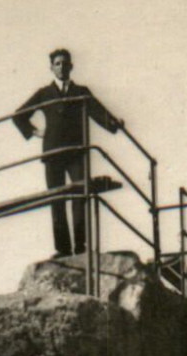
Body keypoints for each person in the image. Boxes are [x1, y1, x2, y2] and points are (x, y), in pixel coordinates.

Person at [12, 49, 123, 258]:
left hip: (76, 153)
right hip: (53, 152)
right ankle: (62, 249)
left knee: (80, 195)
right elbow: (19, 116)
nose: (61, 67)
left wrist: (114, 124)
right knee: (57, 199)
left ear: (71, 66)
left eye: (65, 63)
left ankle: (80, 247)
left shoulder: (81, 91)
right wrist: (36, 132)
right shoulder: (44, 93)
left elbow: (98, 112)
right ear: (51, 67)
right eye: (57, 63)